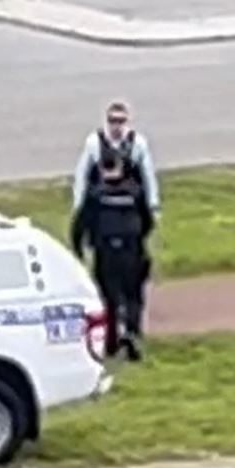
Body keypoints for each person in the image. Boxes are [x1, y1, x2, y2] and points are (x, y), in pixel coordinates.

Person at [71, 149, 153, 361]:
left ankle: (111, 343)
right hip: (131, 250)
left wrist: (79, 249)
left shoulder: (95, 194)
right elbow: (147, 221)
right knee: (133, 296)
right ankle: (132, 334)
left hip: (105, 252)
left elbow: (80, 224)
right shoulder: (135, 191)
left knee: (109, 298)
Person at [71, 100, 160, 224]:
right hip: (100, 196)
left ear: (127, 122)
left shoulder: (138, 143)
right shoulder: (93, 142)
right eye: (112, 120)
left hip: (130, 196)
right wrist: (78, 203)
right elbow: (82, 173)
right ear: (106, 121)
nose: (116, 125)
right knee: (79, 226)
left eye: (121, 121)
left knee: (146, 224)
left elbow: (148, 175)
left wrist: (153, 204)